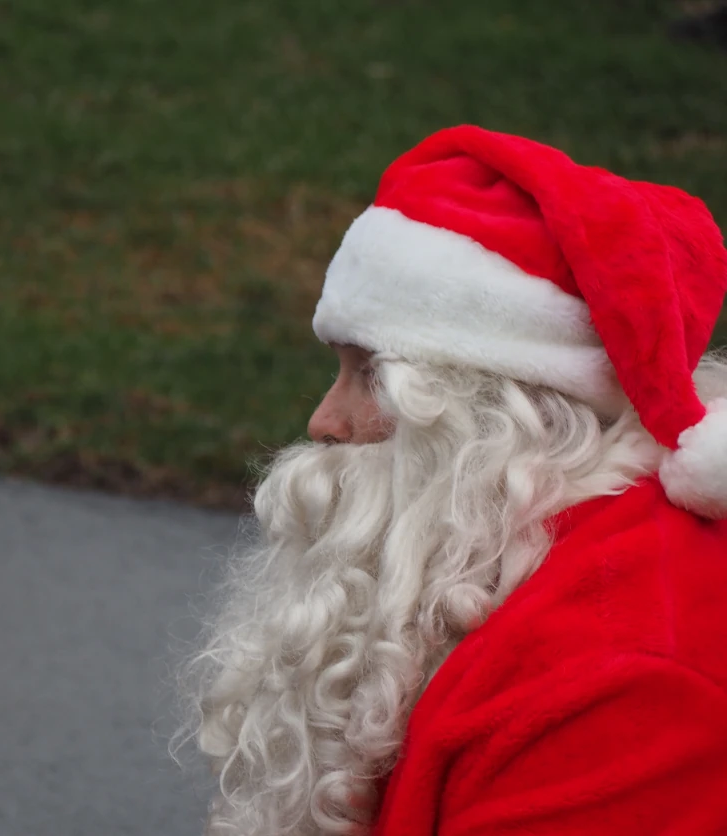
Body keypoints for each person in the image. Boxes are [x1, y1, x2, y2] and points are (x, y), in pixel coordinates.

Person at [177, 125, 727, 834]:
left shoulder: (619, 681)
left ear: (510, 416)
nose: (324, 421)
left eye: (370, 376)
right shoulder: (504, 568)